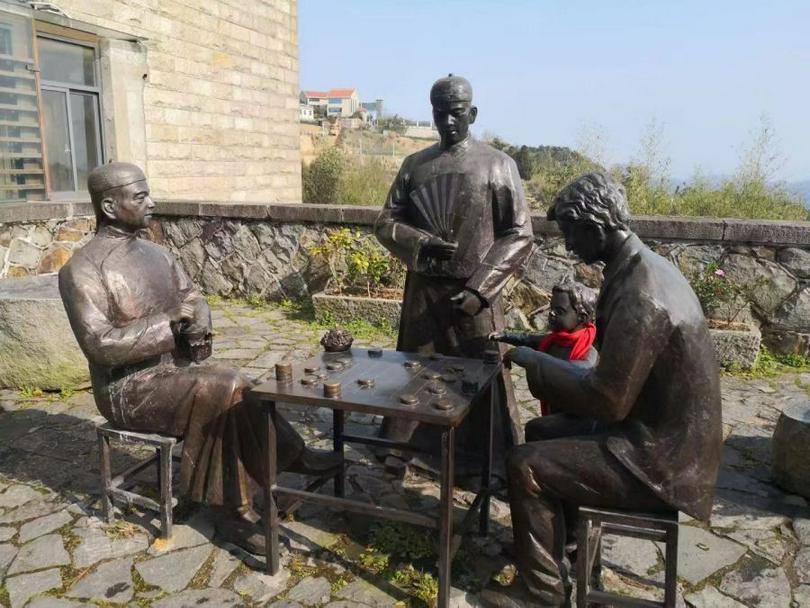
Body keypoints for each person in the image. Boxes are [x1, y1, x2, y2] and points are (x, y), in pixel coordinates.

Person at [58, 162, 342, 554]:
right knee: (221, 386)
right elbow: (100, 345)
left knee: (240, 386)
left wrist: (199, 324)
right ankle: (233, 513)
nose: (152, 203)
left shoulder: (157, 254)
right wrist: (168, 323)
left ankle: (287, 457)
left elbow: (193, 298)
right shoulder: (82, 269)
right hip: (128, 388)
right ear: (109, 206)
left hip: (173, 373)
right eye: (140, 197)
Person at [480, 173, 722, 607]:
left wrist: (533, 361)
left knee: (524, 464)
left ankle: (542, 595)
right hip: (653, 431)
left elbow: (608, 400)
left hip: (662, 461)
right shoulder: (638, 266)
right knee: (538, 432)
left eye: (572, 234)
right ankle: (564, 545)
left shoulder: (641, 293)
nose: (569, 247)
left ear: (595, 226)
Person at [374, 74, 534, 472]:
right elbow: (386, 221)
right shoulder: (414, 165)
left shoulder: (498, 165)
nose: (447, 122)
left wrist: (481, 290)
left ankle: (486, 458)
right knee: (413, 371)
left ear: (472, 114)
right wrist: (419, 241)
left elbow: (519, 234)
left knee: (481, 375)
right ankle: (404, 447)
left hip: (475, 293)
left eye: (456, 113)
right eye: (440, 113)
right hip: (424, 291)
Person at [490, 280, 598, 416]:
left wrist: (533, 359)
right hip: (552, 407)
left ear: (582, 317)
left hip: (574, 416)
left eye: (559, 311)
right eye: (551, 309)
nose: (551, 314)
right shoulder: (553, 340)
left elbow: (577, 372)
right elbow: (527, 338)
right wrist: (504, 335)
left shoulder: (588, 354)